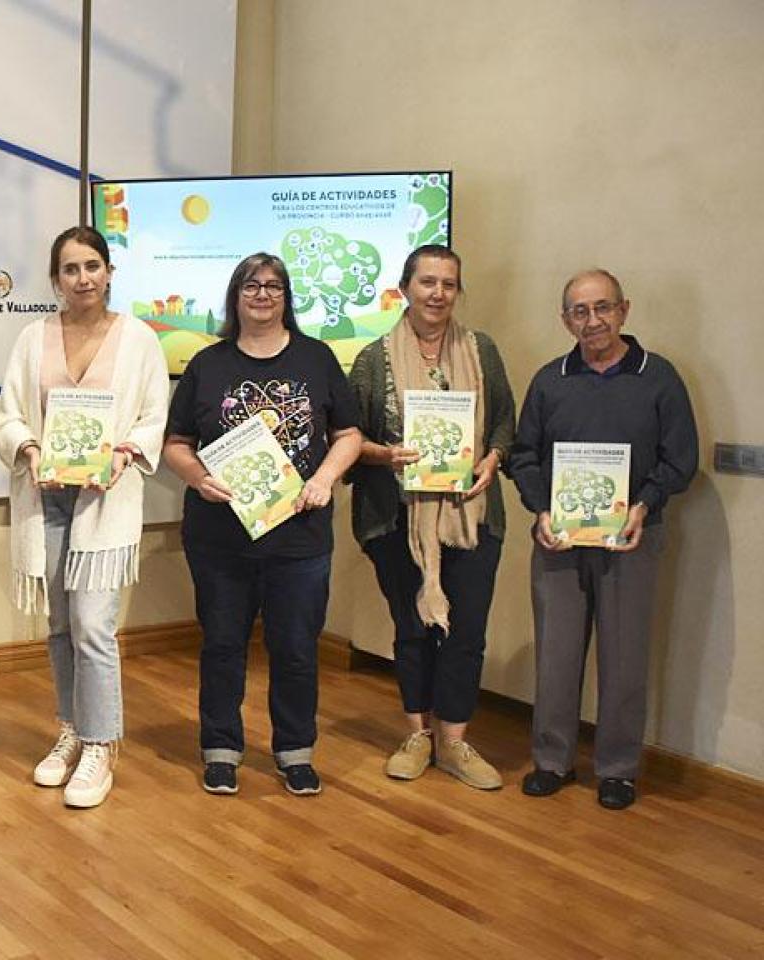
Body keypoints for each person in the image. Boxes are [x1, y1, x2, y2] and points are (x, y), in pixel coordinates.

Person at [163, 252, 362, 798]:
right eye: (252, 285)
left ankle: (294, 751)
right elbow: (175, 444)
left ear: (287, 297)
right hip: (219, 537)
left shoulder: (317, 359)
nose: (263, 295)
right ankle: (221, 749)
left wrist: (322, 479)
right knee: (222, 645)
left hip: (299, 536)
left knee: (296, 648)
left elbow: (349, 434)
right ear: (236, 295)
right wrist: (200, 479)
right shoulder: (209, 365)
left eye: (274, 286)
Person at [0, 225, 167, 809]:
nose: (83, 278)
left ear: (110, 272)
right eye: (70, 269)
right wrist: (32, 450)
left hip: (104, 499)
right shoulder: (34, 337)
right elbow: (8, 414)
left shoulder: (139, 339)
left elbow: (151, 418)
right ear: (55, 279)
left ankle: (100, 743)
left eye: (92, 266)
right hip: (48, 498)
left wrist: (122, 454)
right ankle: (69, 727)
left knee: (94, 626)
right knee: (62, 626)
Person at [508, 269, 697, 810]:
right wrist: (541, 509)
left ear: (624, 310)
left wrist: (643, 506)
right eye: (579, 311)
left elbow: (680, 459)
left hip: (630, 540)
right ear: (565, 319)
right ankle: (552, 760)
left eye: (603, 308)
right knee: (556, 654)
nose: (593, 321)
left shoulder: (658, 378)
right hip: (558, 542)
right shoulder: (549, 380)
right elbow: (524, 456)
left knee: (624, 656)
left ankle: (617, 768)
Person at [347, 245, 514, 790]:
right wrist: (382, 454)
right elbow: (349, 437)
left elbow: (504, 424)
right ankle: (419, 734)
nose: (438, 293)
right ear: (405, 288)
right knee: (412, 630)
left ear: (457, 291)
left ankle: (455, 743)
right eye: (427, 282)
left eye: (448, 283)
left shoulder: (481, 350)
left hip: (471, 517)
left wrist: (492, 458)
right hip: (396, 519)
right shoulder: (374, 358)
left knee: (466, 633)